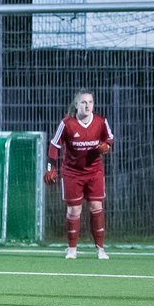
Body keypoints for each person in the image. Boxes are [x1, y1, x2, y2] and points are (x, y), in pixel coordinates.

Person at [45, 91, 114, 259]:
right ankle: (72, 249)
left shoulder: (100, 122)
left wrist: (106, 146)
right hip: (72, 173)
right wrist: (50, 168)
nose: (88, 105)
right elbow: (54, 145)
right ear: (76, 105)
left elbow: (110, 139)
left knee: (96, 207)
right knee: (74, 210)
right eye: (83, 102)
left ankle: (100, 249)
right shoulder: (67, 123)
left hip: (94, 172)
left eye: (90, 102)